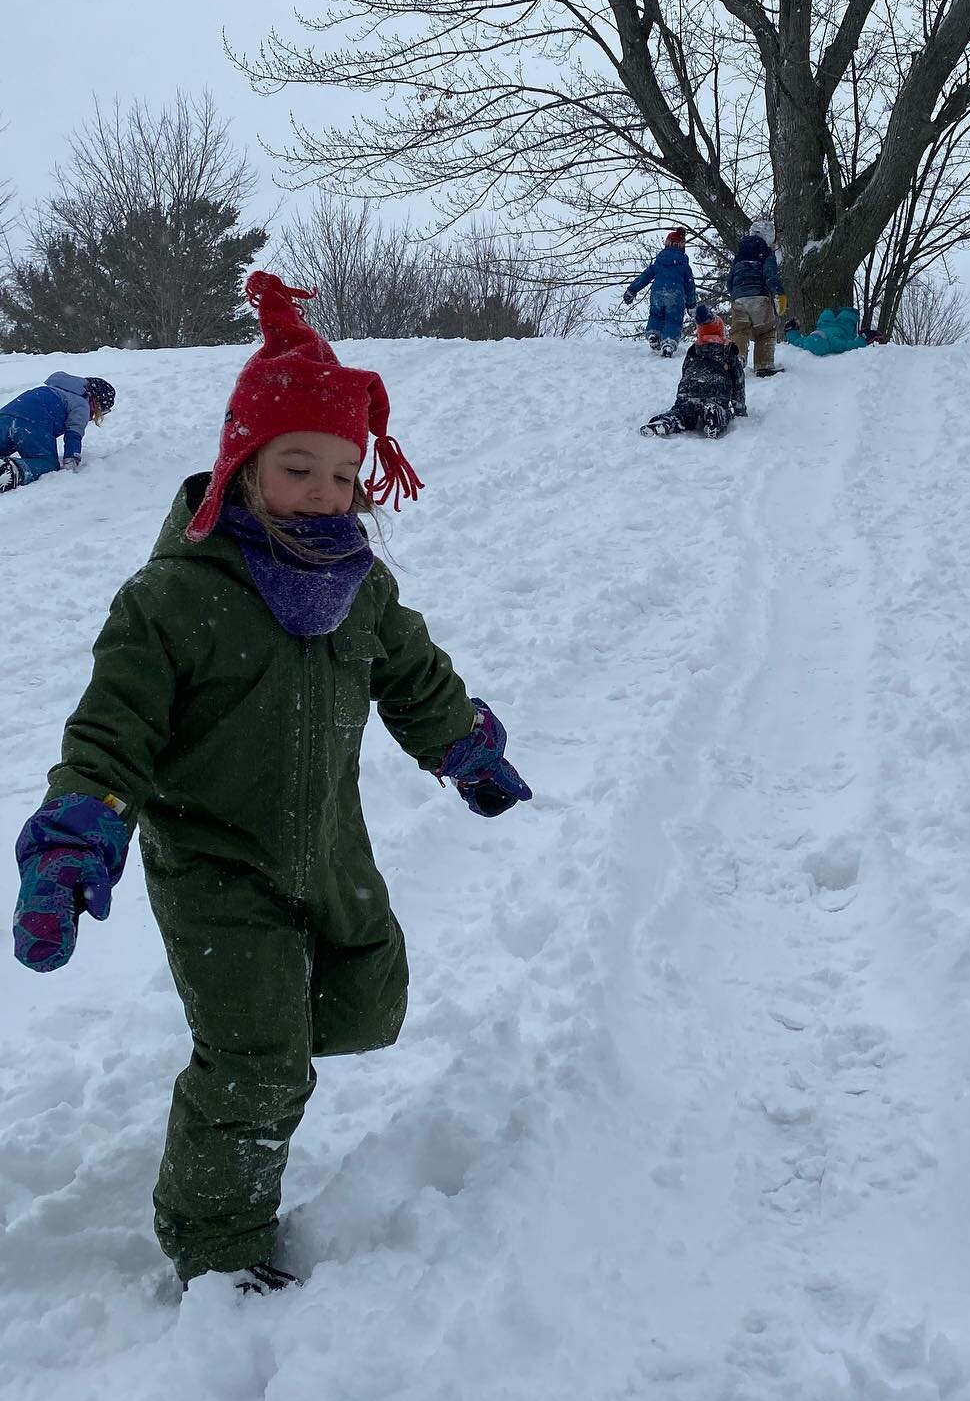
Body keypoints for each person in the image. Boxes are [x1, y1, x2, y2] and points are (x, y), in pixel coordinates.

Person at [10, 273, 532, 1295]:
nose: (325, 495)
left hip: (328, 846)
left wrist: (462, 745)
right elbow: (112, 730)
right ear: (242, 466)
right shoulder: (174, 599)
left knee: (371, 1000)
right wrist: (76, 838)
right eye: (298, 468)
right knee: (259, 1060)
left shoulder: (359, 587)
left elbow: (415, 675)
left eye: (345, 477)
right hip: (214, 865)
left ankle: (260, 1062)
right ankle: (218, 1241)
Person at [641, 303, 747, 438]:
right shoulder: (728, 350)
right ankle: (715, 414)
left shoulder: (693, 350)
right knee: (725, 412)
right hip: (716, 392)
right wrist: (739, 410)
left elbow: (685, 372)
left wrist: (685, 393)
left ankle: (667, 421)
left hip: (689, 391)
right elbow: (738, 382)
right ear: (721, 331)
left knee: (682, 413)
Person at [0, 373, 116, 493]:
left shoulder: (49, 389)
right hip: (34, 423)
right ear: (96, 401)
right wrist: (71, 459)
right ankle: (8, 471)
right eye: (101, 411)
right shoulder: (82, 404)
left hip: (4, 417)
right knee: (47, 463)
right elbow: (74, 433)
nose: (93, 417)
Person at [624, 226, 698, 357]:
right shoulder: (684, 266)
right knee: (673, 319)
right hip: (676, 295)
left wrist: (632, 290)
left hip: (657, 293)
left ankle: (653, 333)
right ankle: (668, 344)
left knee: (655, 314)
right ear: (682, 246)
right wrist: (691, 305)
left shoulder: (658, 263)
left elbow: (644, 277)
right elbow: (690, 286)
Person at [727, 217, 787, 376]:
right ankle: (764, 364)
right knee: (765, 331)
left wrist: (734, 295)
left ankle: (737, 358)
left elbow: (730, 280)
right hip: (759, 297)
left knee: (739, 331)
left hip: (739, 298)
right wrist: (779, 293)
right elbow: (770, 276)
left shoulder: (739, 254)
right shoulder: (767, 253)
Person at [784, 306, 869, 356]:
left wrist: (790, 330)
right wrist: (791, 329)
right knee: (846, 317)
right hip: (829, 321)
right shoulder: (834, 343)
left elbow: (795, 341)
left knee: (847, 317)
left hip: (840, 324)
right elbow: (850, 345)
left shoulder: (833, 343)